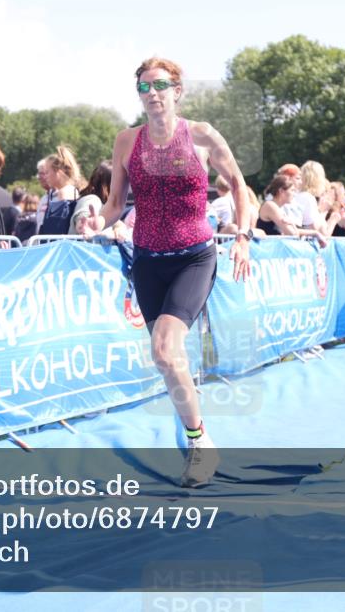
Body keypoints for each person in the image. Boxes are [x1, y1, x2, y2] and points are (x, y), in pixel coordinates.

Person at [83, 56, 251, 487]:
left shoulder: (201, 136)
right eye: (143, 87)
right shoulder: (126, 141)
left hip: (194, 255)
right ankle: (200, 432)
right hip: (148, 261)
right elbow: (116, 203)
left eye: (159, 86)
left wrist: (244, 237)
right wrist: (96, 222)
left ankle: (198, 443)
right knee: (166, 358)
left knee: (163, 348)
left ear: (177, 91)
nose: (151, 94)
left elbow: (238, 186)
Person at [256, 175, 328, 245]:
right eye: (292, 190)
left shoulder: (277, 207)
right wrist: (315, 233)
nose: (294, 194)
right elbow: (292, 233)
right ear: (281, 191)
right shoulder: (270, 206)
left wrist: (315, 233)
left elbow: (293, 232)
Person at [39, 145, 83, 235]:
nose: (45, 176)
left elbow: (59, 226)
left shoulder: (64, 193)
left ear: (58, 172)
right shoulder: (71, 190)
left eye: (47, 172)